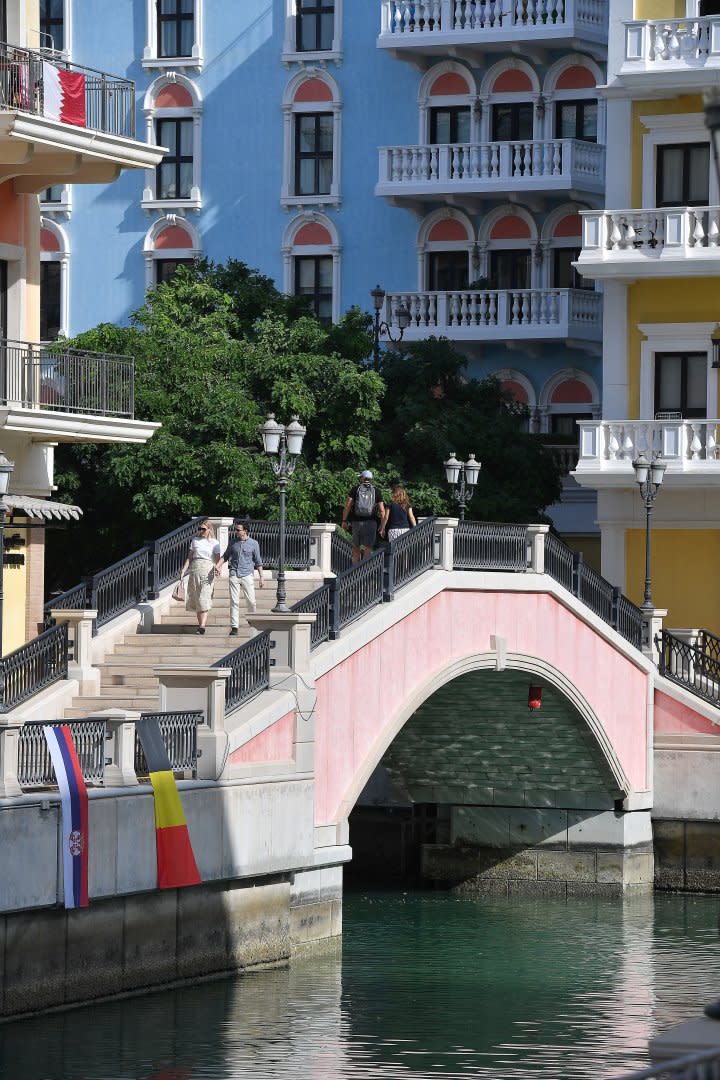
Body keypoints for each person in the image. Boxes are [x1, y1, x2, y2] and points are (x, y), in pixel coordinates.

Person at [215, 520, 264, 636]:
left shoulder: (254, 543)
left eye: (238, 530)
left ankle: (253, 623)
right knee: (234, 601)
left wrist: (262, 577)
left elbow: (258, 561)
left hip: (247, 574)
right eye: (235, 529)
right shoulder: (233, 543)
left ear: (245, 531)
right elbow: (226, 556)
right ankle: (234, 627)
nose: (236, 531)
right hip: (234, 574)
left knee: (251, 601)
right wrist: (217, 566)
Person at [179, 519, 221, 635]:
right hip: (195, 569)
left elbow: (218, 559)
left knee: (204, 594)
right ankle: (200, 625)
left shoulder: (214, 542)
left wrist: (218, 568)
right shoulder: (195, 540)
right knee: (197, 596)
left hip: (208, 569)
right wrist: (183, 570)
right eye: (200, 529)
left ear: (209, 530)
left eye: (203, 529)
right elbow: (190, 558)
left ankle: (202, 626)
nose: (201, 531)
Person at [342, 470, 385, 564]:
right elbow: (382, 511)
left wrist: (344, 520)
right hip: (371, 523)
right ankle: (364, 572)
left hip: (356, 522)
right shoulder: (376, 491)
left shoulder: (355, 489)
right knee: (368, 548)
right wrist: (382, 525)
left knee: (356, 547)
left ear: (362, 478)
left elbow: (348, 506)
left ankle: (354, 572)